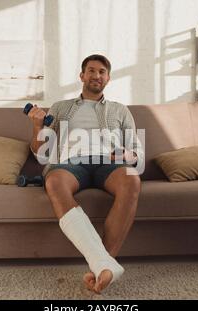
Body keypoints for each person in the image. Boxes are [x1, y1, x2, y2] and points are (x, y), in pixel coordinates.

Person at [27, 54, 143, 294]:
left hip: (108, 163)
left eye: (102, 72)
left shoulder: (120, 110)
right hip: (70, 163)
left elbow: (137, 152)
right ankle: (104, 265)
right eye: (91, 71)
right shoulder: (60, 108)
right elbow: (42, 154)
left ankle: (102, 265)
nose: (96, 75)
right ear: (82, 76)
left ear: (108, 79)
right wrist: (37, 126)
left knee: (132, 179)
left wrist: (125, 156)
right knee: (54, 181)